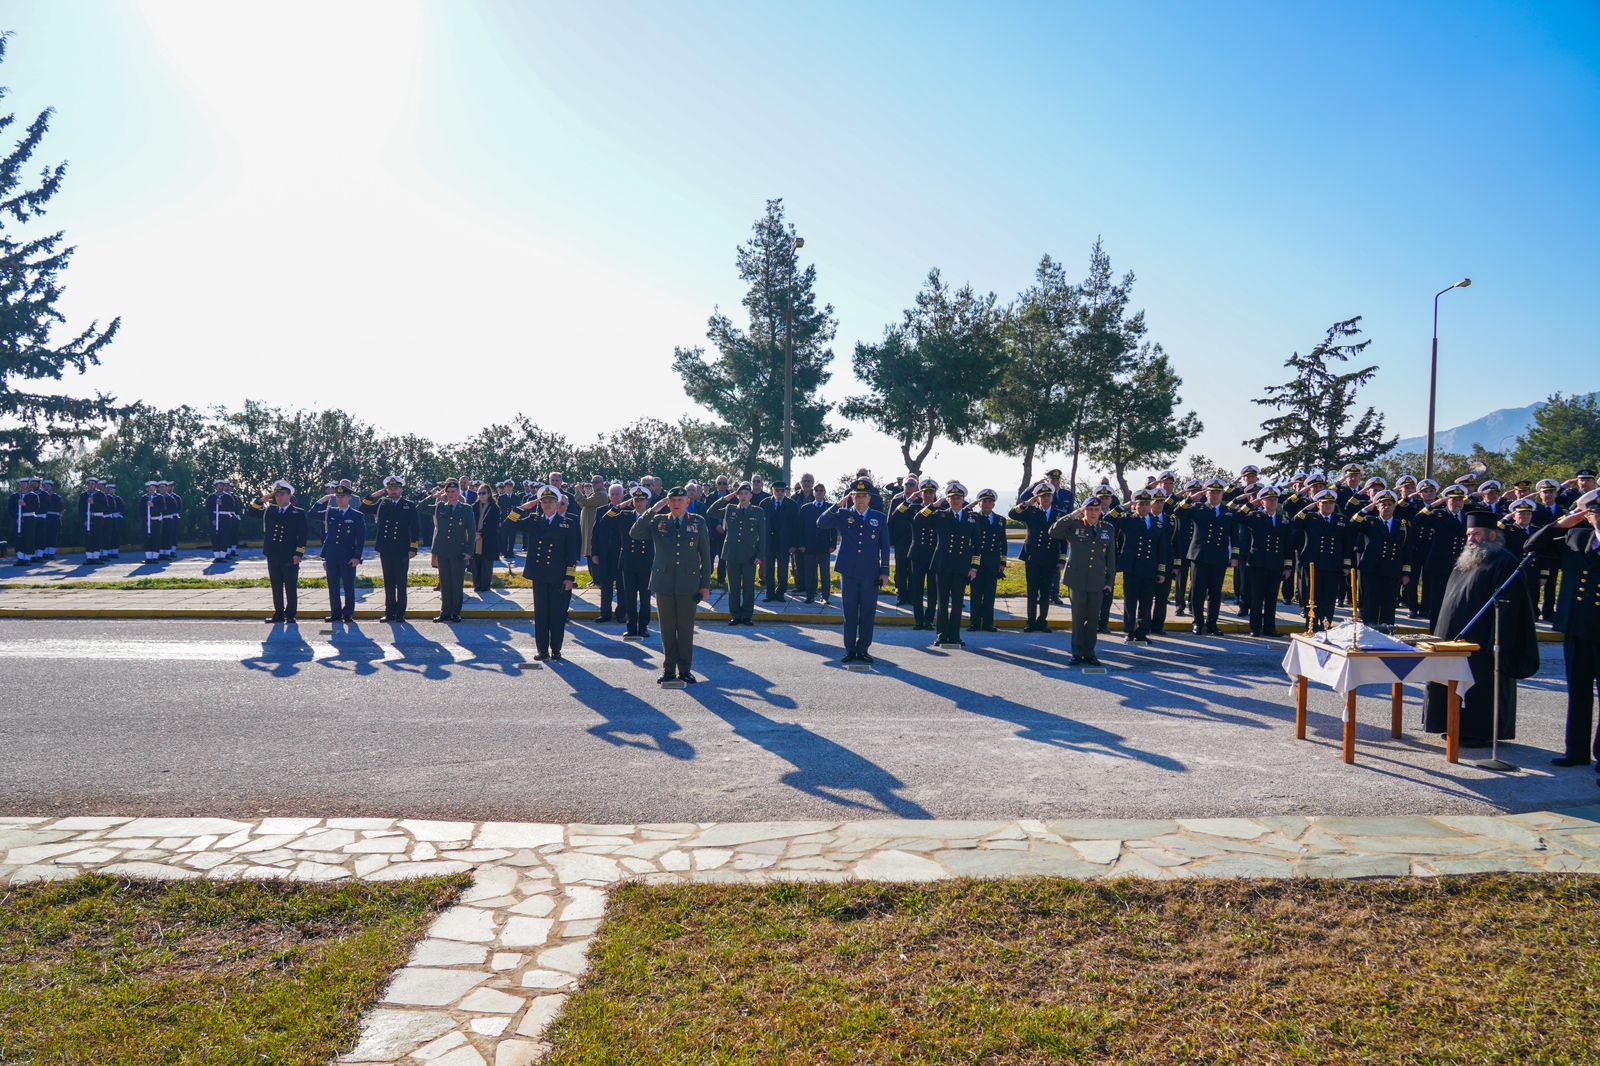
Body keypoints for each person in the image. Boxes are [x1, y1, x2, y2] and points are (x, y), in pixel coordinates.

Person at [1422, 510, 1540, 746]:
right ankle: (1449, 724)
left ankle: (1479, 732)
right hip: (1453, 637)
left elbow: (1510, 608)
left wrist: (1498, 640)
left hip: (1483, 640)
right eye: (1468, 534)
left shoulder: (1505, 563)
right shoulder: (1465, 561)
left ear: (1492, 536)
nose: (1470, 539)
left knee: (1480, 686)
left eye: (1476, 534)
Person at [630, 486, 712, 684]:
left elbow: (706, 556)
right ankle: (668, 669)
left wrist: (705, 585)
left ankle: (685, 669)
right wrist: (653, 509)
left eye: (679, 500)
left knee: (685, 628)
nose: (676, 504)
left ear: (687, 502)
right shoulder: (658, 521)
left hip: (688, 582)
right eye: (672, 500)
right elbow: (635, 533)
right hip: (664, 582)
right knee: (667, 628)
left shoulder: (697, 522)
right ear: (668, 502)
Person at [1549, 489, 1600, 777]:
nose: (1597, 516)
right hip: (1577, 627)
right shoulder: (1577, 538)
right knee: (1578, 692)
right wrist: (1560, 524)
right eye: (1593, 511)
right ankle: (1576, 751)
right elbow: (1533, 545)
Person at [816, 478, 892, 663]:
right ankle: (850, 649)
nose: (860, 499)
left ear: (869, 498)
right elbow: (821, 522)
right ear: (851, 497)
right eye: (856, 496)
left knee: (867, 612)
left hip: (870, 572)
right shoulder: (842, 514)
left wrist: (884, 571)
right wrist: (838, 503)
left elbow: (885, 546)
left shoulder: (878, 517)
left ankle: (864, 649)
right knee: (849, 612)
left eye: (864, 496)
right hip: (849, 571)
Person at [510, 486, 580, 661]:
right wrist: (523, 507)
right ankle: (542, 650)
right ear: (540, 503)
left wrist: (569, 577)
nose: (547, 504)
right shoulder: (534, 520)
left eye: (551, 501)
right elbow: (508, 526)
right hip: (539, 575)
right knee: (541, 615)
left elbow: (572, 553)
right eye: (544, 501)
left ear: (557, 504)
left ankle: (556, 650)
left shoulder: (567, 523)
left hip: (558, 577)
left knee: (557, 615)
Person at [1051, 496, 1116, 665]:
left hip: (1097, 579)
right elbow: (1053, 531)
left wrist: (1110, 581)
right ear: (1084, 510)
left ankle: (1090, 652)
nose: (1093, 513)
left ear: (1101, 510)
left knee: (1093, 618)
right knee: (1078, 617)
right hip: (1077, 579)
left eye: (1096, 509)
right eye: (1089, 509)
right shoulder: (1074, 526)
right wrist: (1074, 514)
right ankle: (1076, 652)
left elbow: (1111, 558)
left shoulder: (1108, 528)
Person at [1176, 479, 1237, 636]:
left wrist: (1235, 555)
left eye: (1217, 493)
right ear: (1206, 494)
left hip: (1219, 557)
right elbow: (1178, 512)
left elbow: (1234, 535)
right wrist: (1190, 499)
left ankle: (1212, 624)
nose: (1214, 495)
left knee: (1215, 593)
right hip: (1200, 555)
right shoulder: (1198, 508)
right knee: (1198, 592)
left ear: (1222, 494)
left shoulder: (1228, 511)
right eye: (1211, 493)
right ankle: (1198, 623)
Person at [920, 483, 978, 647]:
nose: (956, 501)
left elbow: (977, 545)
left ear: (963, 499)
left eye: (958, 498)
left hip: (961, 566)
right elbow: (919, 518)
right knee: (942, 602)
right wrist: (935, 504)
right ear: (948, 499)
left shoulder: (971, 517)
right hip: (942, 565)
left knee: (958, 603)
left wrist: (974, 568)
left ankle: (955, 636)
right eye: (952, 498)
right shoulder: (940, 515)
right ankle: (941, 635)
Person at [1111, 488, 1169, 642]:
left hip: (1150, 569)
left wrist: (1161, 571)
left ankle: (1142, 632)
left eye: (1146, 504)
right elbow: (1109, 520)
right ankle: (1129, 631)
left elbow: (1162, 549)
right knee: (1130, 601)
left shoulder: (1158, 523)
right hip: (1132, 567)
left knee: (1146, 602)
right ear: (1135, 505)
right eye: (1140, 504)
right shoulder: (1128, 519)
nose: (1144, 507)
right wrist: (1122, 506)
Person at [1348, 489, 1410, 629]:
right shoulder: (1370, 522)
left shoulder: (1403, 525)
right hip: (1371, 569)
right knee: (1370, 603)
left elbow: (1407, 550)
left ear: (1395, 506)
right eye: (1382, 504)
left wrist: (1406, 572)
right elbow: (1352, 523)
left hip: (1392, 569)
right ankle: (1369, 631)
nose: (1386, 507)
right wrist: (1365, 509)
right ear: (1377, 506)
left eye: (1389, 504)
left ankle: (1387, 632)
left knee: (1389, 603)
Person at [362, 476, 420, 623]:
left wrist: (413, 548)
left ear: (401, 489)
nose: (393, 490)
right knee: (388, 582)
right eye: (390, 488)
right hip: (386, 548)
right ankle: (389, 612)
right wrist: (374, 495)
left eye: (396, 488)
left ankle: (400, 613)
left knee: (401, 582)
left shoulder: (409, 505)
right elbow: (363, 508)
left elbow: (415, 528)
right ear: (386, 490)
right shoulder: (382, 503)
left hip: (402, 549)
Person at [1291, 488, 1350, 630]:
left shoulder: (1341, 520)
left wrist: (1346, 564)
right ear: (1318, 504)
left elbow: (1347, 543)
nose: (1328, 505)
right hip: (1312, 564)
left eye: (1331, 503)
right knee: (1311, 596)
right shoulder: (1310, 517)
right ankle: (1310, 625)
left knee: (1328, 597)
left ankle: (1326, 626)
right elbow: (1295, 522)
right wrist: (1306, 508)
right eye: (1324, 503)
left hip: (1332, 564)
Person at [1010, 483, 1064, 632]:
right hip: (1032, 558)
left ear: (1052, 497)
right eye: (1042, 496)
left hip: (1050, 558)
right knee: (1032, 591)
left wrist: (1062, 559)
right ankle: (1031, 621)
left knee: (1046, 591)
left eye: (1048, 496)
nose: (1045, 498)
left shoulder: (1059, 514)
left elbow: (1064, 539)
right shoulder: (1030, 511)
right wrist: (1027, 503)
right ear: (1038, 498)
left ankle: (1042, 621)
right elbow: (1012, 514)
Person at [257, 480, 307, 624]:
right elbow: (252, 510)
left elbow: (302, 536)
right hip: (272, 554)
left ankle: (290, 614)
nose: (278, 497)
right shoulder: (270, 510)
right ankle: (278, 614)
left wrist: (299, 554)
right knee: (276, 586)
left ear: (289, 495)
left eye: (282, 494)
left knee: (290, 586)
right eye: (276, 494)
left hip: (289, 555)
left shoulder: (298, 512)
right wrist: (263, 499)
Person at [716, 482, 766, 625]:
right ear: (737, 495)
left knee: (749, 587)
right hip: (731, 554)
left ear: (751, 496)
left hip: (749, 555)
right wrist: (728, 497)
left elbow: (762, 536)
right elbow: (711, 512)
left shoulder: (758, 511)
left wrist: (760, 555)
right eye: (741, 493)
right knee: (734, 587)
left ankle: (747, 616)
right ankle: (735, 615)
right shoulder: (730, 509)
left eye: (746, 494)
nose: (743, 496)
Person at [319, 485, 366, 623]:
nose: (340, 499)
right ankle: (335, 613)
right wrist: (322, 500)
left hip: (348, 556)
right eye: (337, 497)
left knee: (348, 586)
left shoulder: (357, 515)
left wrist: (357, 556)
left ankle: (348, 613)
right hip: (332, 555)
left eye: (342, 497)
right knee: (333, 586)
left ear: (349, 498)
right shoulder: (331, 512)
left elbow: (361, 537)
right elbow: (311, 514)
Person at [430, 479, 474, 623]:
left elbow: (471, 532)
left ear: (458, 492)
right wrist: (435, 551)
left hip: (458, 550)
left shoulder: (466, 508)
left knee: (456, 582)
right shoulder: (441, 507)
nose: (450, 494)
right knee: (445, 582)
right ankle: (445, 612)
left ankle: (455, 612)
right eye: (448, 491)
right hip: (443, 550)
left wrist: (469, 551)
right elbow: (439, 529)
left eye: (453, 491)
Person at [967, 488, 1008, 632]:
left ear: (994, 504)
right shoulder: (973, 517)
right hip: (977, 562)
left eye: (990, 501)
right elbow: (963, 511)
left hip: (993, 562)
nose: (987, 504)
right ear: (979, 503)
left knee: (990, 593)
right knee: (976, 593)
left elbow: (1003, 542)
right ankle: (974, 622)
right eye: (984, 501)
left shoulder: (1000, 520)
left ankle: (988, 623)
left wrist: (1002, 562)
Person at [588, 483, 630, 623]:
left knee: (622, 587)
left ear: (623, 495)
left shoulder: (628, 510)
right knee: (605, 586)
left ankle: (621, 614)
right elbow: (595, 533)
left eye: (617, 494)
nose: (614, 496)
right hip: (605, 555)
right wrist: (594, 553)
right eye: (612, 494)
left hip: (622, 555)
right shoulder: (601, 511)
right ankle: (605, 613)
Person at [617, 486, 655, 637]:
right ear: (632, 500)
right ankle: (632, 626)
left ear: (647, 501)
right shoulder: (625, 515)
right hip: (629, 562)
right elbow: (606, 519)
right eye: (636, 499)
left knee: (645, 598)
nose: (639, 502)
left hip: (646, 562)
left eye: (642, 500)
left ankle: (643, 627)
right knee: (629, 597)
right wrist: (621, 505)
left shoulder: (653, 517)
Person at [795, 483, 837, 604]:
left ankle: (825, 596)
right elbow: (800, 528)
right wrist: (801, 544)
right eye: (817, 490)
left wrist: (833, 545)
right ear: (813, 493)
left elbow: (834, 529)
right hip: (809, 547)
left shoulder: (830, 507)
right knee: (810, 573)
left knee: (825, 573)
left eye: (821, 490)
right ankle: (810, 595)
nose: (819, 492)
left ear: (825, 493)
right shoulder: (805, 508)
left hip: (824, 547)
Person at [761, 481, 799, 601]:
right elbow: (760, 525)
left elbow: (796, 526)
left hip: (785, 543)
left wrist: (794, 544)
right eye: (777, 490)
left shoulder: (792, 505)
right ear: (772, 490)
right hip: (769, 542)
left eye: (782, 490)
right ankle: (770, 593)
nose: (780, 493)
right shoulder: (765, 503)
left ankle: (781, 592)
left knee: (783, 570)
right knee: (769, 569)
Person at [471, 483, 502, 593]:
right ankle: (477, 585)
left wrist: (481, 534)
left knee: (486, 564)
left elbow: (493, 526)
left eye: (483, 493)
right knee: (475, 564)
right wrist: (474, 533)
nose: (481, 495)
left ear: (489, 494)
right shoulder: (473, 507)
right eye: (479, 493)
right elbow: (470, 523)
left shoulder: (494, 508)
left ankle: (485, 586)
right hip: (475, 539)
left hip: (488, 539)